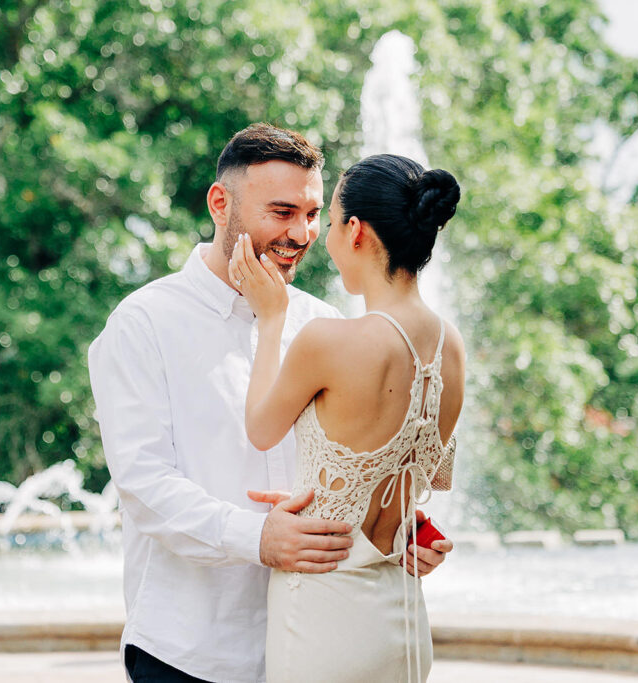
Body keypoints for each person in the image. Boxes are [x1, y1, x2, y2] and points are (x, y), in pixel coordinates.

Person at [87, 124, 453, 683]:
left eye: (311, 214)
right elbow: (143, 484)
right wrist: (259, 537)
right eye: (282, 212)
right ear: (219, 203)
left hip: (316, 636)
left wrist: (395, 528)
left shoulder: (326, 323)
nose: (301, 233)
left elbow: (349, 464)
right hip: (191, 650)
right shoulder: (144, 323)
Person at [229, 153, 465, 683]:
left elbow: (262, 430)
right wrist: (320, 485)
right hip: (402, 620)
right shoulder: (452, 346)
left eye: (329, 220)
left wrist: (272, 318)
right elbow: (424, 479)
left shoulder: (331, 340)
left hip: (323, 619)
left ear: (354, 230)